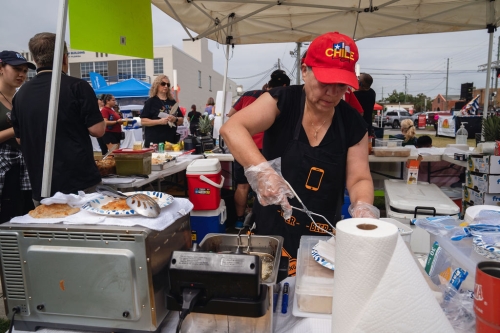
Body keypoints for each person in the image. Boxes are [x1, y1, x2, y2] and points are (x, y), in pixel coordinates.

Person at [220, 32, 378, 275]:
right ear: (305, 71)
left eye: (341, 84)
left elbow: (359, 178)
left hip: (323, 243)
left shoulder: (352, 122)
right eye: (326, 81)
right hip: (270, 236)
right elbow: (232, 128)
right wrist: (262, 171)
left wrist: (363, 206)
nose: (333, 92)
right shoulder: (282, 100)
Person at [11, 32, 105, 204]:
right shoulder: (78, 87)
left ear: (35, 59)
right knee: (86, 229)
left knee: (49, 229)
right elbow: (98, 130)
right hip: (79, 183)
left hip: (41, 185)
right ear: (64, 58)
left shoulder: (20, 95)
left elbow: (19, 139)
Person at [227, 69, 291, 229]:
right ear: (284, 86)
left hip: (241, 145)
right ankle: (258, 221)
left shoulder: (249, 94)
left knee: (242, 186)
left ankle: (239, 220)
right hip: (264, 149)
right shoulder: (277, 99)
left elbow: (231, 114)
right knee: (264, 185)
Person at [0, 51, 35, 222]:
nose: (21, 74)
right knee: (7, 217)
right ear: (1, 68)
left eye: (24, 70)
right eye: (16, 69)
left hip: (24, 167)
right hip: (4, 168)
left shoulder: (19, 98)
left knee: (25, 214)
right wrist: (18, 128)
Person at [141, 75, 183, 147]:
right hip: (155, 142)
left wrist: (175, 119)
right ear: (157, 85)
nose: (166, 86)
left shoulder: (172, 102)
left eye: (168, 84)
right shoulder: (151, 102)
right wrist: (159, 122)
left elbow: (181, 119)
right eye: (163, 84)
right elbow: (143, 121)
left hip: (171, 142)